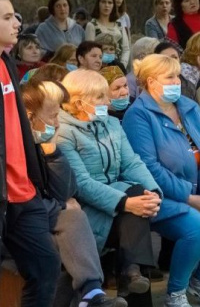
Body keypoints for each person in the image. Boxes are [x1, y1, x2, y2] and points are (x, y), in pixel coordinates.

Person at [122, 54, 200, 307]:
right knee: (196, 229)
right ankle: (176, 292)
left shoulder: (188, 107)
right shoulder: (138, 115)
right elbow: (149, 168)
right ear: (150, 81)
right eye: (170, 77)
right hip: (161, 195)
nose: (177, 82)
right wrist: (187, 197)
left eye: (178, 76)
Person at [22, 80, 127, 307]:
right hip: (18, 223)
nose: (57, 124)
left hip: (43, 216)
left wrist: (52, 153)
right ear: (29, 117)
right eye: (51, 116)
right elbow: (23, 201)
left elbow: (66, 191)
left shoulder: (42, 142)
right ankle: (91, 294)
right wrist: (58, 205)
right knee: (70, 225)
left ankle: (91, 293)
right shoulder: (11, 146)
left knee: (74, 217)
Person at [57, 69, 162, 297]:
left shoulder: (111, 123)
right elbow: (81, 184)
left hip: (118, 202)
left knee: (140, 199)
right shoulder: (63, 133)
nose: (108, 101)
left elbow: (132, 163)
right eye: (100, 97)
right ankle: (130, 275)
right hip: (86, 208)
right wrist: (125, 202)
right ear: (78, 102)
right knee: (136, 211)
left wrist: (153, 192)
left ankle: (131, 273)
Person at [0, 0, 61, 307]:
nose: (16, 23)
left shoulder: (5, 60)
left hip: (23, 191)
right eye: (7, 17)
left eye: (15, 15)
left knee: (46, 267)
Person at [85, 0, 131, 68]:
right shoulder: (92, 25)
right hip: (98, 68)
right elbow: (89, 51)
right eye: (103, 2)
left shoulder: (119, 25)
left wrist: (122, 65)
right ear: (98, 4)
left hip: (118, 68)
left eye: (110, 3)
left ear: (113, 5)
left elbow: (126, 49)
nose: (107, 5)